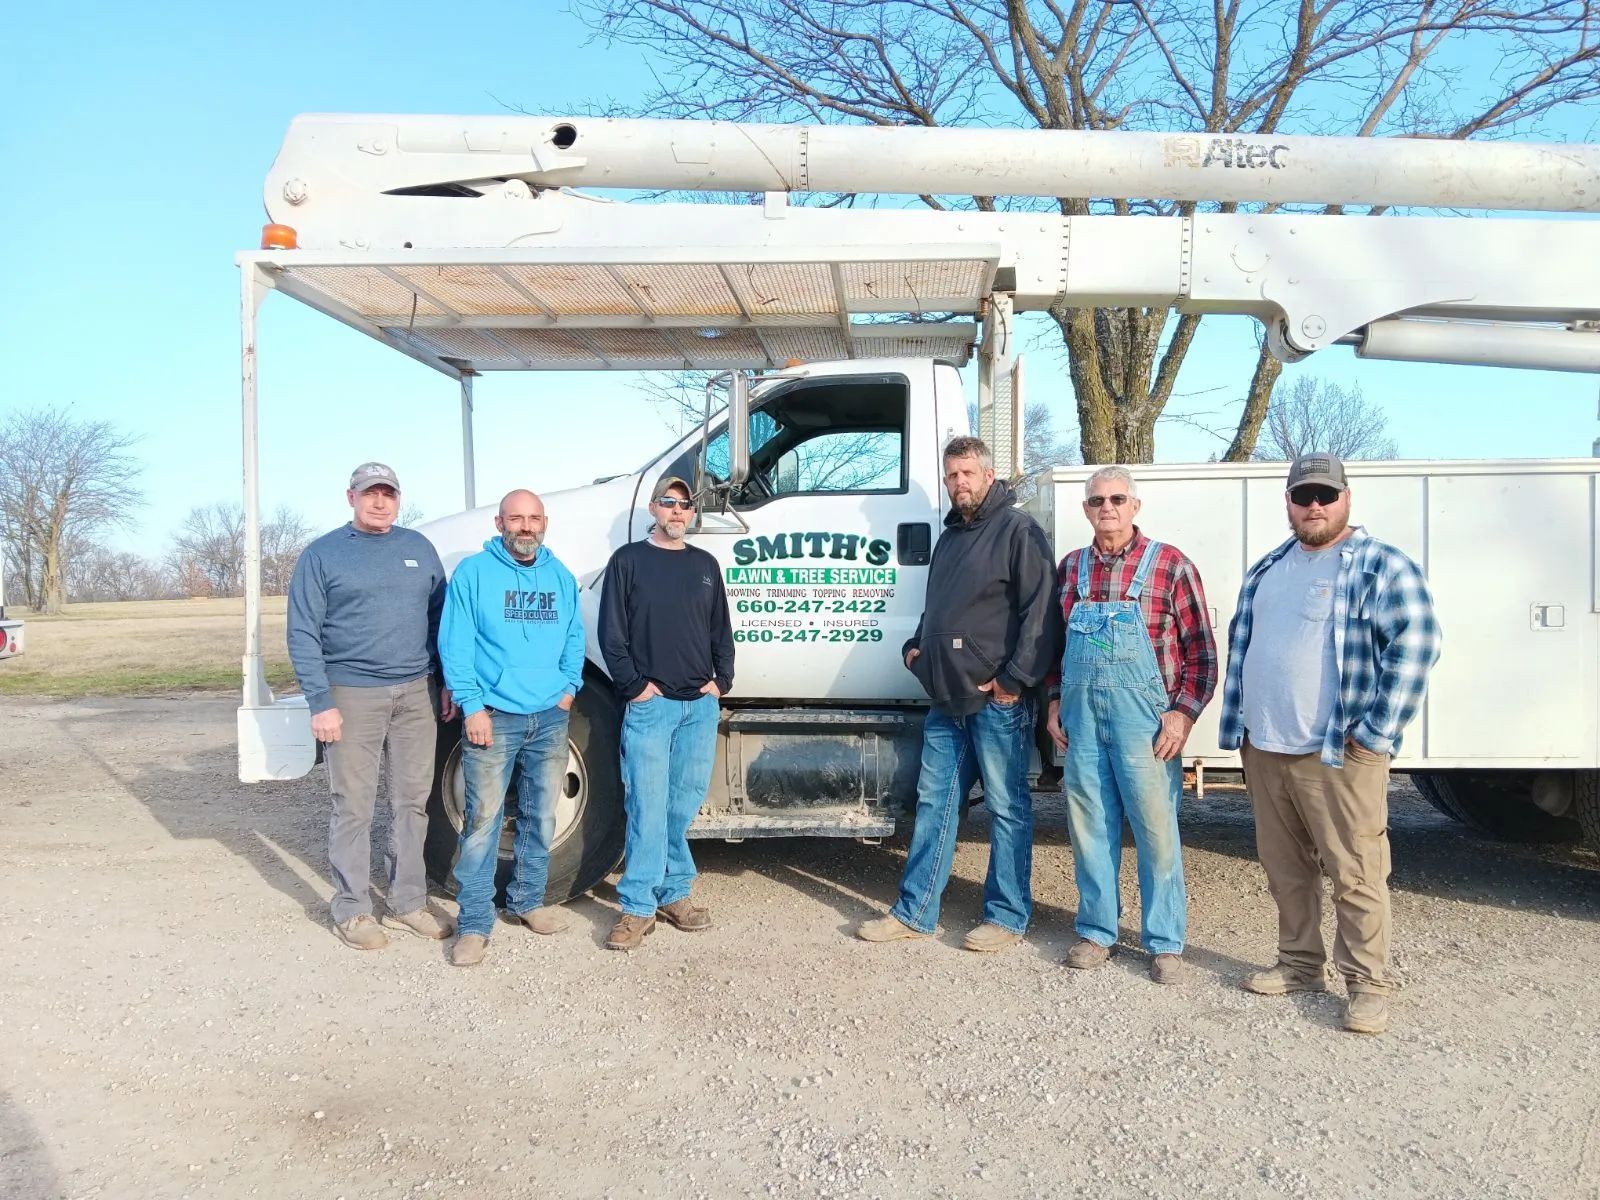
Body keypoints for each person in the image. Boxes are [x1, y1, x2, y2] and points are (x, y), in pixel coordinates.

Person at [1219, 453, 1440, 1035]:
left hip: (1338, 752)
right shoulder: (1272, 565)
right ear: (1288, 502)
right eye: (1302, 495)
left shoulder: (1377, 564)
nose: (1313, 505)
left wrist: (1375, 732)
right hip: (1267, 747)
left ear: (1347, 498)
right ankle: (1298, 965)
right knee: (1285, 868)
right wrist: (1242, 728)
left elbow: (1416, 644)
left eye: (1325, 495)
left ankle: (1368, 983)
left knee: (1356, 870)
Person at [856, 436, 1061, 952]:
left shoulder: (1018, 530)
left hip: (998, 704)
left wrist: (1014, 681)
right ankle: (916, 911)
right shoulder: (951, 537)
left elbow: (1042, 614)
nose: (959, 483)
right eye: (952, 476)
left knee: (1008, 808)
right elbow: (938, 606)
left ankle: (1007, 917)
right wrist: (915, 648)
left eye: (968, 473)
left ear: (989, 476)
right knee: (935, 805)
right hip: (946, 699)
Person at [1044, 467, 1217, 984]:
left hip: (1146, 723)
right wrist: (1054, 701)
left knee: (1155, 830)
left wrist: (1182, 714)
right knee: (1089, 826)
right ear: (1085, 509)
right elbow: (1055, 646)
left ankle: (1164, 942)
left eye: (1118, 499)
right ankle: (1097, 931)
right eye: (1097, 500)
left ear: (1135, 506)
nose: (1107, 508)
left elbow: (1202, 652)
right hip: (1081, 718)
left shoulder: (1169, 565)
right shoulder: (1071, 568)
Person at [287, 462, 453, 950]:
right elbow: (301, 632)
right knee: (353, 805)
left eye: (388, 494)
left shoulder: (418, 549)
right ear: (350, 498)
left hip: (416, 692)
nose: (379, 502)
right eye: (369, 494)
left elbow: (438, 619)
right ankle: (353, 908)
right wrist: (321, 701)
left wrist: (442, 681)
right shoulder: (322, 556)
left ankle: (407, 901)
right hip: (350, 694)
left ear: (399, 499)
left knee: (411, 802)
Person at [438, 490, 584, 968]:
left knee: (540, 817)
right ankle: (475, 924)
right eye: (516, 518)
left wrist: (567, 690)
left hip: (549, 717)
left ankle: (527, 902)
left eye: (534, 518)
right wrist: (472, 705)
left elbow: (574, 637)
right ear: (500, 522)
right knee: (481, 824)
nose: (526, 527)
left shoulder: (559, 576)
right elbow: (454, 644)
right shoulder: (474, 575)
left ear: (545, 523)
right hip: (493, 718)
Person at [598, 476, 734, 952]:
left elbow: (721, 630)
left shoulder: (705, 565)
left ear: (693, 514)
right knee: (647, 807)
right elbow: (611, 634)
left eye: (685, 505)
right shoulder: (629, 562)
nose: (678, 512)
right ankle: (637, 907)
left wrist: (723, 681)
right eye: (669, 503)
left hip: (698, 707)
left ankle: (673, 894)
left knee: (681, 805)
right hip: (651, 710)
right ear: (653, 509)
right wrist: (636, 688)